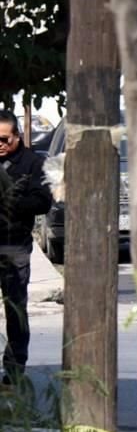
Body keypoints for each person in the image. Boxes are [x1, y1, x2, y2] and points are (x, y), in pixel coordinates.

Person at [0, 109, 53, 388]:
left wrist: (10, 202)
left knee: (15, 309)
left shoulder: (33, 163)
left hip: (14, 245)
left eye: (4, 139)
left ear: (17, 137)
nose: (0, 144)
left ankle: (15, 369)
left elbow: (43, 201)